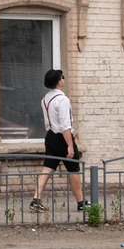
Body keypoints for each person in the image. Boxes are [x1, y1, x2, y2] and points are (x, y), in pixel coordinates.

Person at [30, 68, 84, 212]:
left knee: (48, 167)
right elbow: (65, 125)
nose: (64, 79)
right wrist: (70, 145)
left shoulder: (45, 99)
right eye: (63, 77)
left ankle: (36, 199)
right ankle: (81, 202)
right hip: (62, 137)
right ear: (59, 82)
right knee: (73, 169)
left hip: (50, 136)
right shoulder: (62, 100)